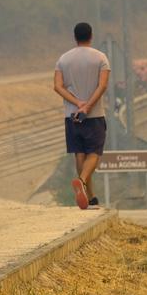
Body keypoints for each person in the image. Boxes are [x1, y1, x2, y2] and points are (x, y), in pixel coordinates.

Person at [53, 22, 110, 210]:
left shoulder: (63, 59)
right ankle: (82, 180)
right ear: (91, 36)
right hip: (94, 115)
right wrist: (88, 106)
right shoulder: (100, 58)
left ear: (75, 37)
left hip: (72, 116)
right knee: (94, 153)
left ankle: (90, 197)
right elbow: (102, 86)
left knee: (80, 153)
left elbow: (57, 86)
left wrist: (77, 104)